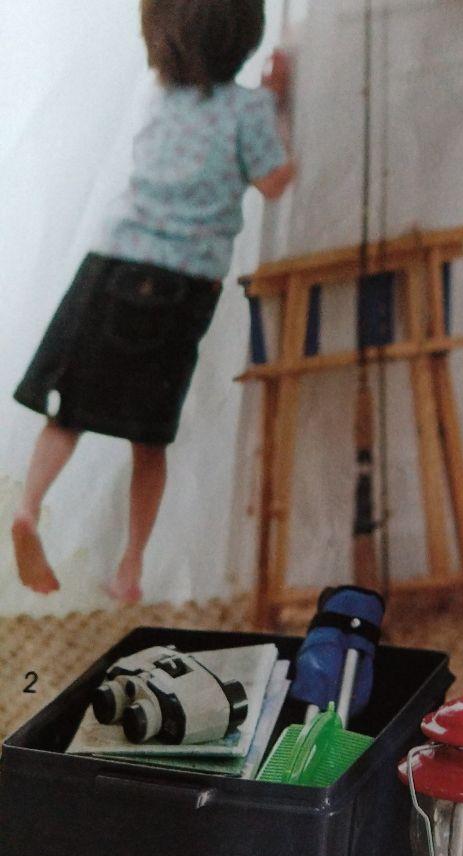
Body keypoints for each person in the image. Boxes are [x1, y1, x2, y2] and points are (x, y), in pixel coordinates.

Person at [11, 0, 295, 603]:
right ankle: (131, 567)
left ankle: (29, 507)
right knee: (150, 439)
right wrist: (276, 104)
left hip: (110, 267)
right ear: (244, 34)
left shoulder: (158, 97)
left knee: (67, 413)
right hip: (181, 289)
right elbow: (273, 182)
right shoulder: (247, 110)